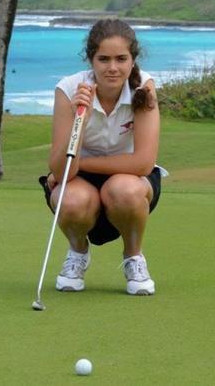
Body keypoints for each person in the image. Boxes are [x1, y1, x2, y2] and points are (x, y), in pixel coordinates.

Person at [40, 19, 164, 295]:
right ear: (91, 60)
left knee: (125, 189)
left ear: (133, 60)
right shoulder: (69, 89)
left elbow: (143, 162)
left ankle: (134, 258)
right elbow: (61, 173)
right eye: (103, 59)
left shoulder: (143, 87)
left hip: (130, 178)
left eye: (121, 59)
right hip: (78, 181)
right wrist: (79, 121)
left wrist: (79, 163)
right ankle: (77, 253)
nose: (112, 68)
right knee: (68, 198)